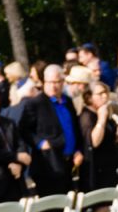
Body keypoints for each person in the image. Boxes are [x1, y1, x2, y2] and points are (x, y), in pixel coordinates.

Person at [16, 65, 80, 197]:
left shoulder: (67, 101)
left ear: (63, 82)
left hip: (70, 160)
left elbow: (75, 127)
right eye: (50, 82)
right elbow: (23, 129)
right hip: (48, 164)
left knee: (70, 201)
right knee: (53, 203)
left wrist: (78, 149)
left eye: (57, 82)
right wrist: (40, 143)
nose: (53, 86)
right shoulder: (35, 103)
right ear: (44, 82)